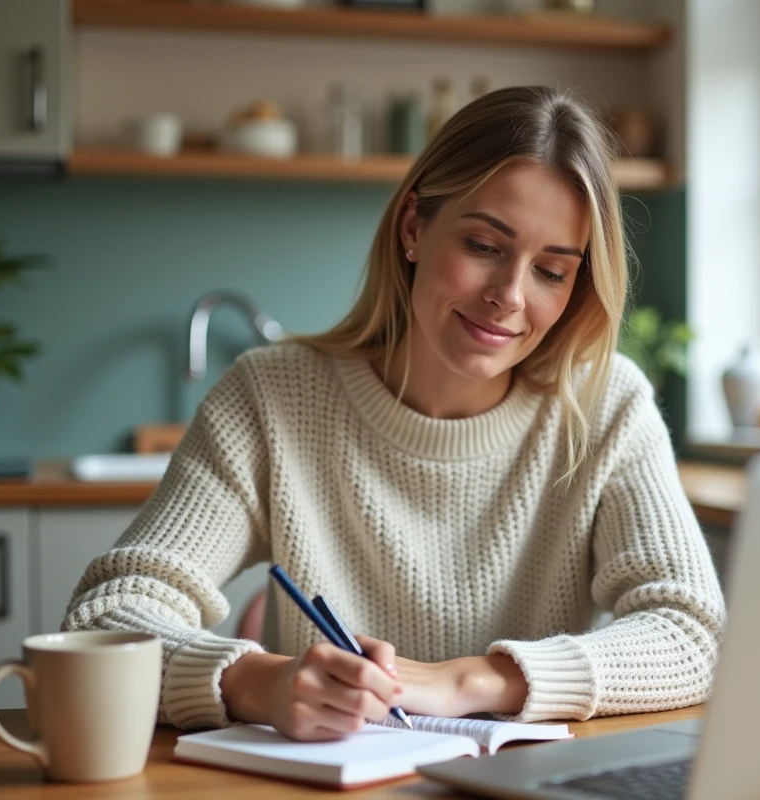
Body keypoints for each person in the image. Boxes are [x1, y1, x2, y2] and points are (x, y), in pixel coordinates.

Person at [65, 86, 725, 742]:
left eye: (552, 271)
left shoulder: (606, 404)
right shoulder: (272, 398)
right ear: (414, 227)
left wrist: (470, 681)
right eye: (484, 246)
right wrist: (260, 684)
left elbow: (693, 636)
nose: (509, 297)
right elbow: (104, 618)